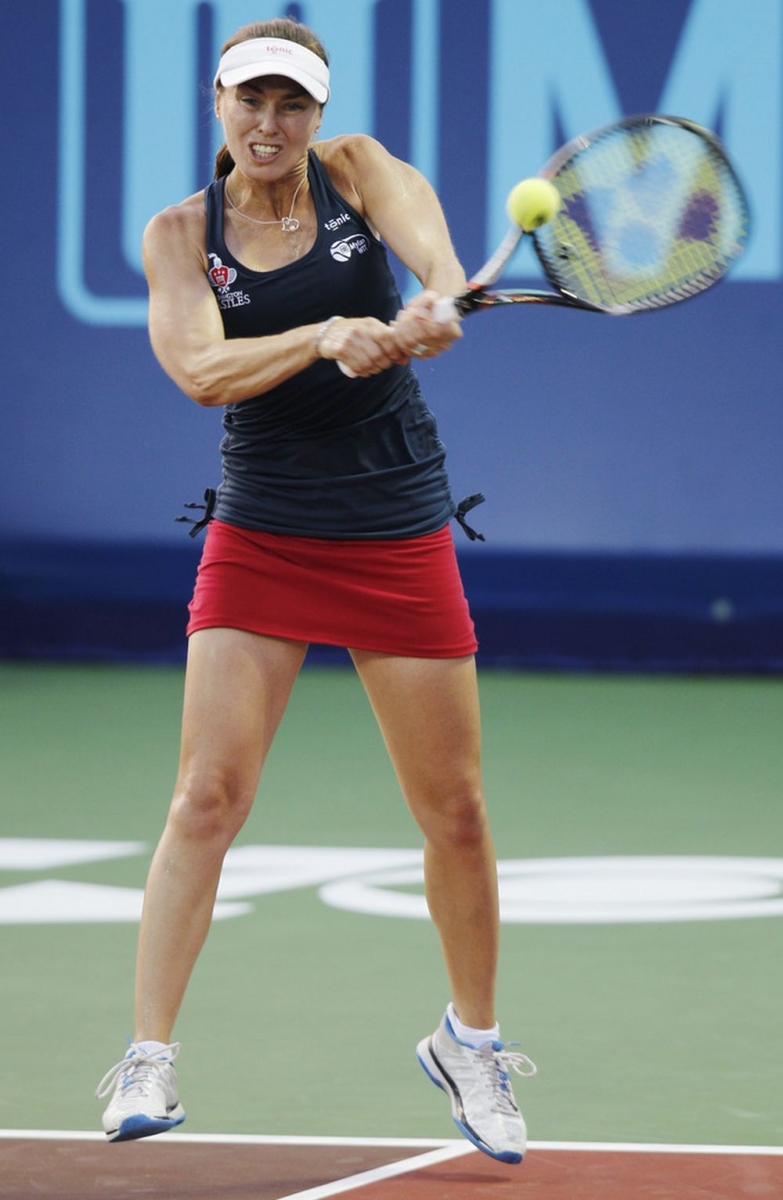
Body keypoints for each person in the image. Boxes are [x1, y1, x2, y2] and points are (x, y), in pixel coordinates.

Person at [95, 16, 535, 1163]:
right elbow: (198, 369)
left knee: (457, 814)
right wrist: (323, 334)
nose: (269, 124)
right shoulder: (182, 234)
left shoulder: (358, 171)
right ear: (218, 103)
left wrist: (435, 301)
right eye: (250, 101)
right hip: (265, 531)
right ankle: (148, 1057)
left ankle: (471, 1043)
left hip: (395, 522)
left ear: (319, 115)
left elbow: (431, 250)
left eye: (292, 104)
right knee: (207, 797)